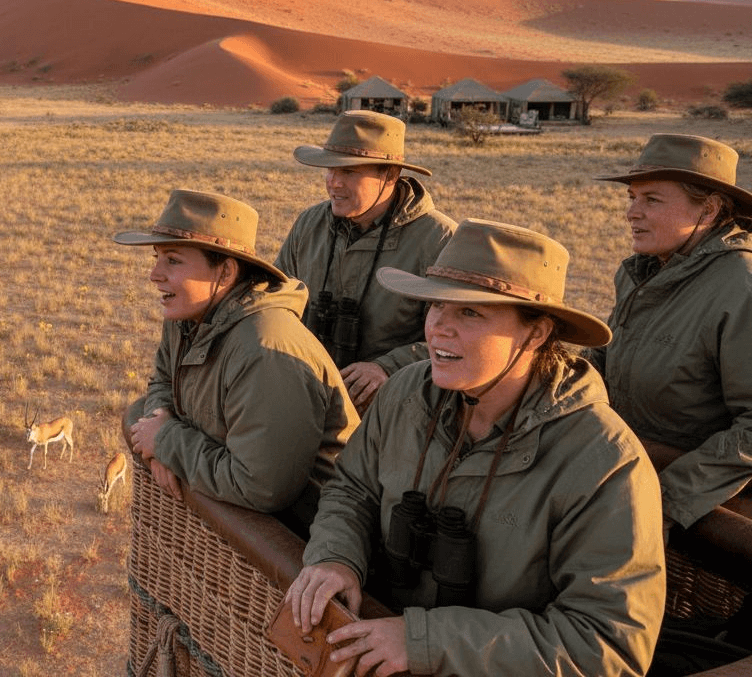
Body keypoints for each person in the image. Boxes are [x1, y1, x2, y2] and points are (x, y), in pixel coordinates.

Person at [285, 218, 665, 677]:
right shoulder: (406, 394)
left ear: (538, 333)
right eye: (435, 305)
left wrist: (425, 641)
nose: (438, 328)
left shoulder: (605, 464)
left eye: (471, 313)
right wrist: (335, 557)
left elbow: (607, 643)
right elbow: (353, 486)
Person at [118, 189, 359, 521]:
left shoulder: (265, 352)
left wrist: (167, 442)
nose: (154, 274)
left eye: (173, 261)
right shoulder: (188, 315)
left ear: (225, 273)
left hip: (303, 541)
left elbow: (261, 487)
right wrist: (159, 428)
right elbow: (162, 378)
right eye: (156, 257)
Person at [591, 134, 752, 534]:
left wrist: (664, 499)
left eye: (652, 200)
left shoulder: (740, 287)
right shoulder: (639, 273)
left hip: (702, 506)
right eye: (632, 197)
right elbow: (606, 358)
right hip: (623, 474)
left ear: (710, 209)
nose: (632, 212)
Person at [276, 110, 455, 413]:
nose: (333, 183)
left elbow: (453, 339)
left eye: (349, 172)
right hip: (306, 397)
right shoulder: (309, 224)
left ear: (390, 176)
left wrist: (388, 367)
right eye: (329, 170)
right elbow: (276, 303)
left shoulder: (439, 240)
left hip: (395, 409)